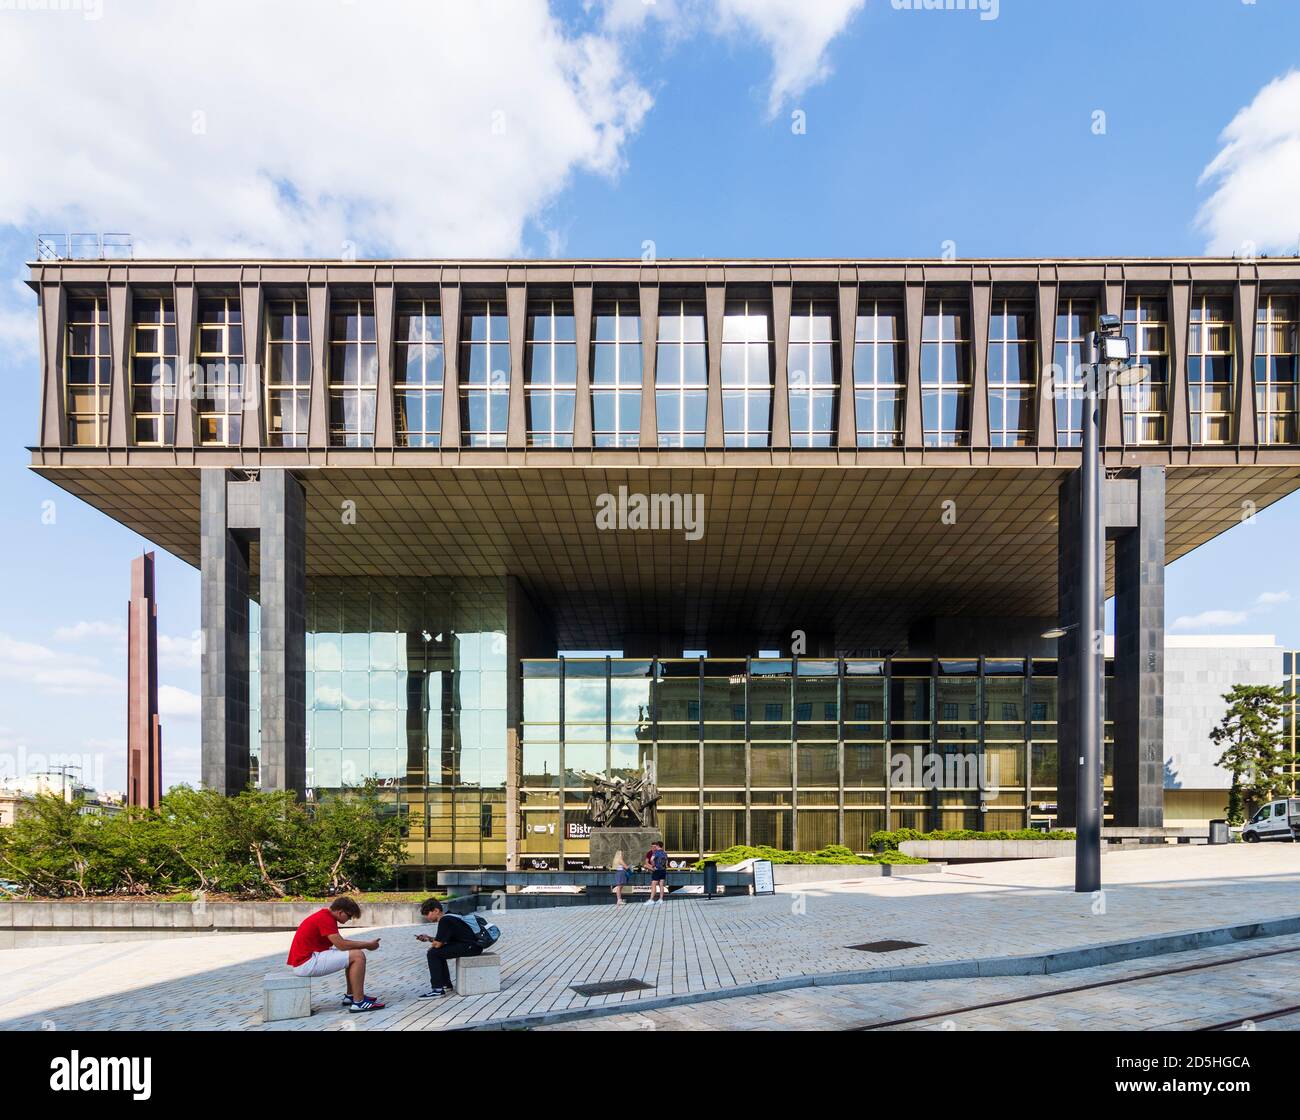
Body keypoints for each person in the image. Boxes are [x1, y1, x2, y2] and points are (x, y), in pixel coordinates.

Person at [285, 896, 385, 1013]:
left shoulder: (325, 916)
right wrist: (368, 945)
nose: (349, 919)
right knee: (358, 956)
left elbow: (341, 944)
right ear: (340, 912)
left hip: (306, 959)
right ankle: (359, 1002)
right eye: (349, 916)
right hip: (306, 963)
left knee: (352, 955)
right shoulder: (325, 918)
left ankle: (351, 996)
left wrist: (364, 945)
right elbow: (341, 945)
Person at [415, 898, 483, 997]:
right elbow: (443, 940)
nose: (426, 917)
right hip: (472, 946)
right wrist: (429, 938)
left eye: (427, 913)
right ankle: (445, 984)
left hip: (470, 947)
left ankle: (438, 989)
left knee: (433, 954)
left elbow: (438, 944)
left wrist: (433, 946)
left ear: (436, 911)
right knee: (437, 952)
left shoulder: (445, 920)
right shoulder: (450, 917)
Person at [643, 840, 668, 905]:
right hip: (663, 870)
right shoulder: (664, 853)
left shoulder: (656, 853)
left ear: (658, 846)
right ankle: (661, 899)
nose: (655, 847)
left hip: (657, 870)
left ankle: (651, 900)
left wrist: (653, 865)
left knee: (653, 884)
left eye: (656, 846)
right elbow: (666, 862)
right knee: (661, 885)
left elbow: (651, 859)